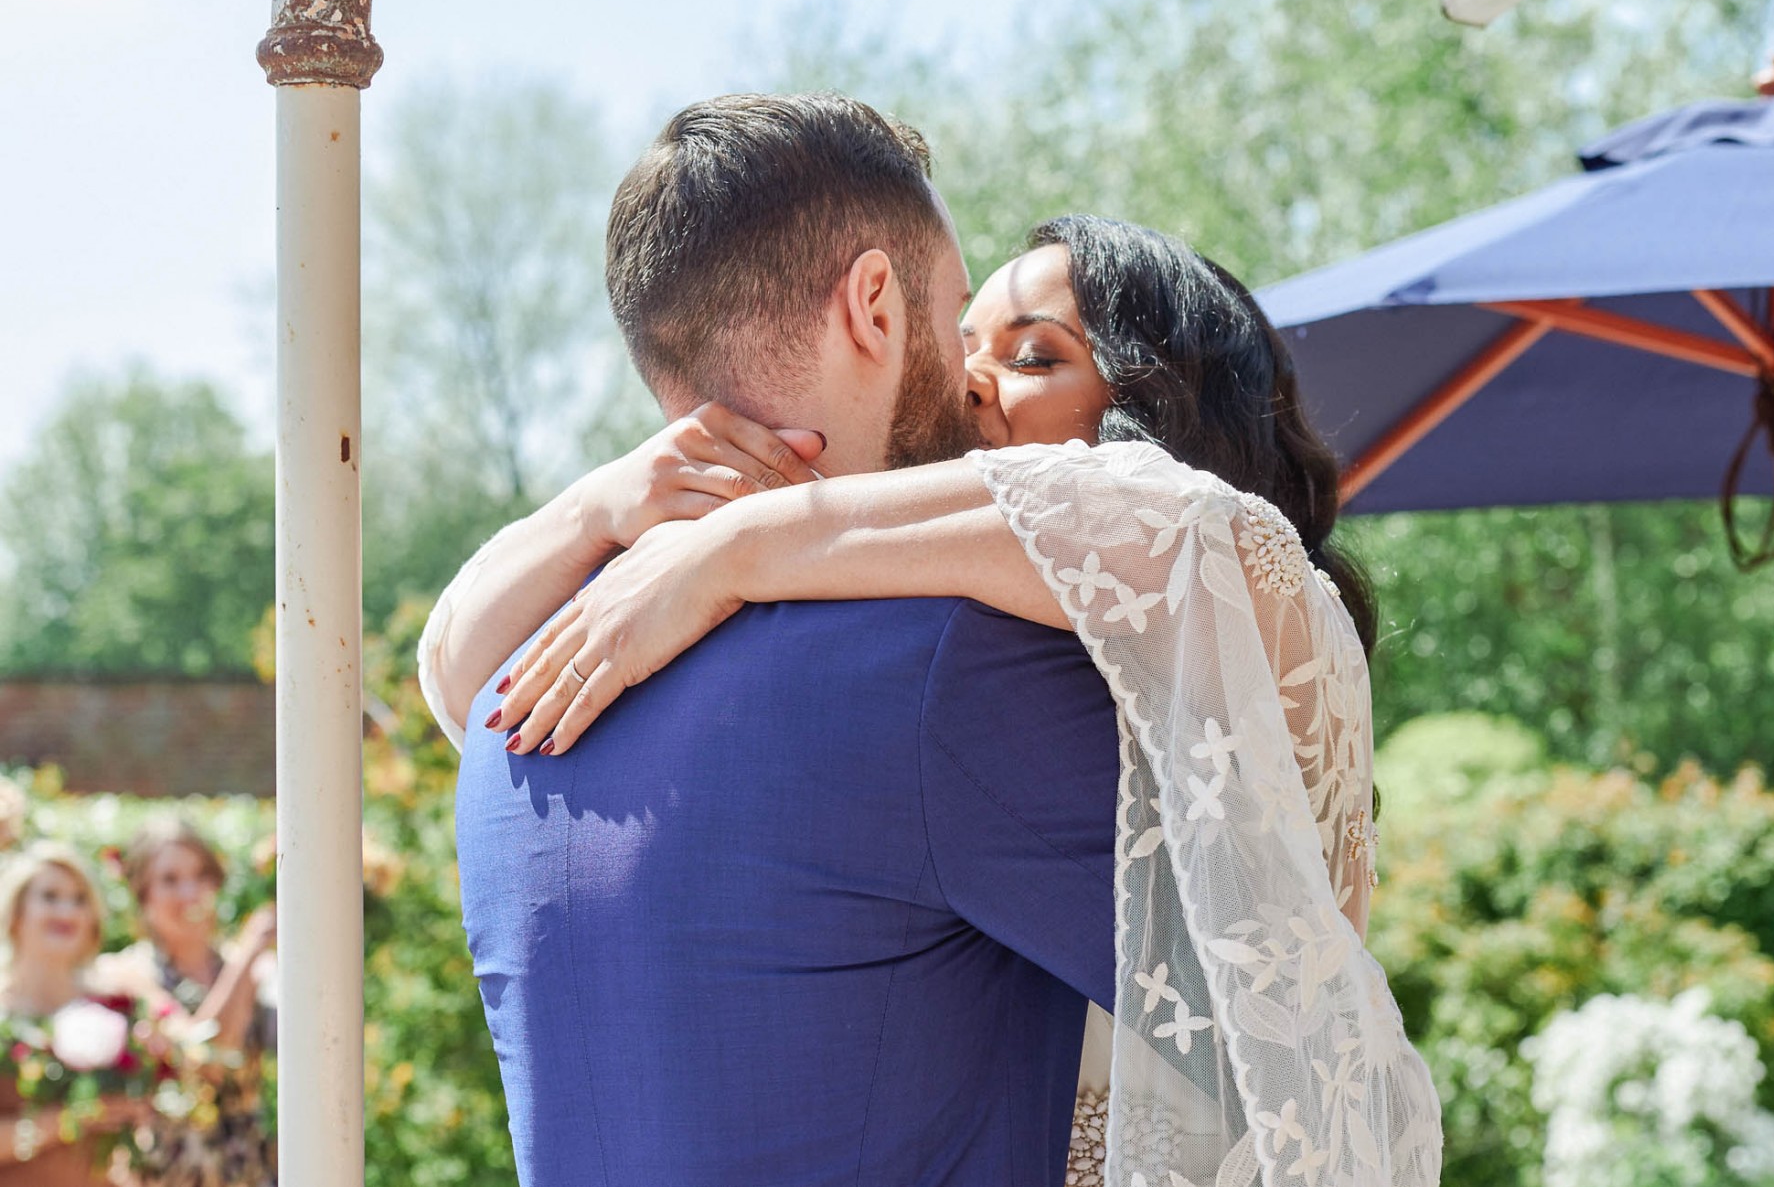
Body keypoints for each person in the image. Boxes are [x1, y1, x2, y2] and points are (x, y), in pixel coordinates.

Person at [444, 94, 1441, 1186]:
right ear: (875, 303)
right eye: (957, 318)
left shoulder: (513, 709)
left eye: (1033, 355)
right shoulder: (941, 663)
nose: (972, 383)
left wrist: (690, 532)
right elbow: (1313, 1051)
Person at [96, 818, 276, 1187]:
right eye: (170, 880)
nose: (190, 892)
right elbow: (204, 1057)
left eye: (201, 876)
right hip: (169, 1172)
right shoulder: (127, 974)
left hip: (251, 1171)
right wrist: (251, 952)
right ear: (144, 894)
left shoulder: (258, 969)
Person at [0, 843, 147, 1186]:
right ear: (18, 911)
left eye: (80, 899)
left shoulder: (118, 1003)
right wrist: (64, 1121)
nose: (67, 911)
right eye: (50, 897)